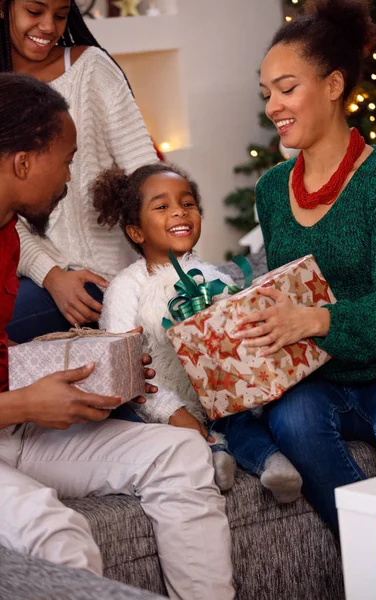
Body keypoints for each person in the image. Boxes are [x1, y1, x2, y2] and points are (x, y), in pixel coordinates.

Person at [0, 72, 235, 600]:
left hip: (13, 429)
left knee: (180, 453)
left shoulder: (9, 239)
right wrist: (26, 403)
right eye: (65, 160)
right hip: (10, 420)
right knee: (57, 534)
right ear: (22, 162)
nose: (68, 180)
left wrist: (79, 372)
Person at [232, 0, 376, 536]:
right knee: (292, 420)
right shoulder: (272, 192)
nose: (274, 106)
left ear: (332, 85)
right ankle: (374, 557)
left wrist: (316, 319)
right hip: (317, 377)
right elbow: (284, 291)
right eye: (267, 95)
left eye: (287, 88)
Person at [92, 161, 303, 502]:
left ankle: (272, 465)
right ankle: (213, 454)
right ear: (136, 232)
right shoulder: (127, 287)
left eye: (187, 203)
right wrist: (173, 413)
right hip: (159, 401)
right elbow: (123, 370)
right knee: (155, 428)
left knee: (243, 422)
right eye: (163, 207)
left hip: (217, 400)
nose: (180, 212)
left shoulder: (214, 278)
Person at [1, 0, 158, 343]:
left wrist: (172, 272)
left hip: (105, 280)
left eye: (60, 15)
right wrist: (51, 275)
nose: (48, 27)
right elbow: (4, 209)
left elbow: (148, 178)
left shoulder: (92, 68)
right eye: (35, 11)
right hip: (39, 278)